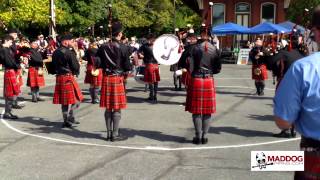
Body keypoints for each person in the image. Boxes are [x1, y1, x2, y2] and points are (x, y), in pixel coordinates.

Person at [274, 6, 320, 179]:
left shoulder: (303, 68)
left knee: (263, 161)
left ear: (315, 31)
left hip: (314, 154)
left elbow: (283, 121)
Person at [185, 26, 221, 145]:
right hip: (208, 79)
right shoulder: (215, 49)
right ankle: (204, 137)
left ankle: (198, 136)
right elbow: (218, 68)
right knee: (207, 111)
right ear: (210, 35)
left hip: (196, 79)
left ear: (200, 34)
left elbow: (184, 63)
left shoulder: (192, 48)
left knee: (196, 111)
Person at [97, 21, 131, 141]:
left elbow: (97, 62)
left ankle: (108, 133)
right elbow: (127, 66)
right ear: (120, 34)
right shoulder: (123, 47)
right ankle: (115, 134)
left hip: (106, 78)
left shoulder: (103, 46)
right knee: (117, 108)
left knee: (108, 108)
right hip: (117, 79)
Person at [52, 34, 84, 128]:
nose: (73, 43)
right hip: (68, 77)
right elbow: (76, 66)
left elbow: (52, 67)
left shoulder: (55, 52)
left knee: (64, 102)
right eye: (71, 41)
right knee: (78, 99)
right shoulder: (69, 52)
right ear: (65, 41)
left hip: (59, 77)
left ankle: (66, 121)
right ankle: (71, 116)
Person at [0, 35, 20, 119]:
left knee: (10, 94)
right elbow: (9, 62)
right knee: (9, 94)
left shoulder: (7, 49)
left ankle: (8, 112)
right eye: (11, 42)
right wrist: (17, 66)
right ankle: (7, 113)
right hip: (9, 71)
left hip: (10, 71)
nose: (12, 44)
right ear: (6, 41)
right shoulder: (4, 50)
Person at [138, 34, 160, 103]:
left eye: (153, 39)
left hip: (154, 64)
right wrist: (140, 54)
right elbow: (138, 51)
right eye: (151, 39)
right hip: (149, 64)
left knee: (154, 81)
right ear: (149, 39)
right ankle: (152, 95)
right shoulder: (144, 46)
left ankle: (154, 96)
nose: (153, 40)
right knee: (151, 81)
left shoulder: (157, 46)